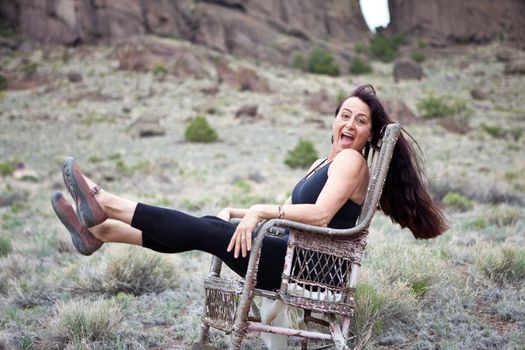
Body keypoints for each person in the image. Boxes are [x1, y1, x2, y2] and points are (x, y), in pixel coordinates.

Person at [51, 84, 447, 292]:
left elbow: (321, 215)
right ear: (332, 120)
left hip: (311, 268)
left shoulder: (352, 161)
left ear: (368, 134)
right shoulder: (323, 163)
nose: (349, 125)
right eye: (344, 115)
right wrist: (241, 212)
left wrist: (258, 212)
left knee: (206, 231)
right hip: (293, 255)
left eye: (360, 121)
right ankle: (101, 231)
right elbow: (293, 211)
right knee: (210, 224)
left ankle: (105, 204)